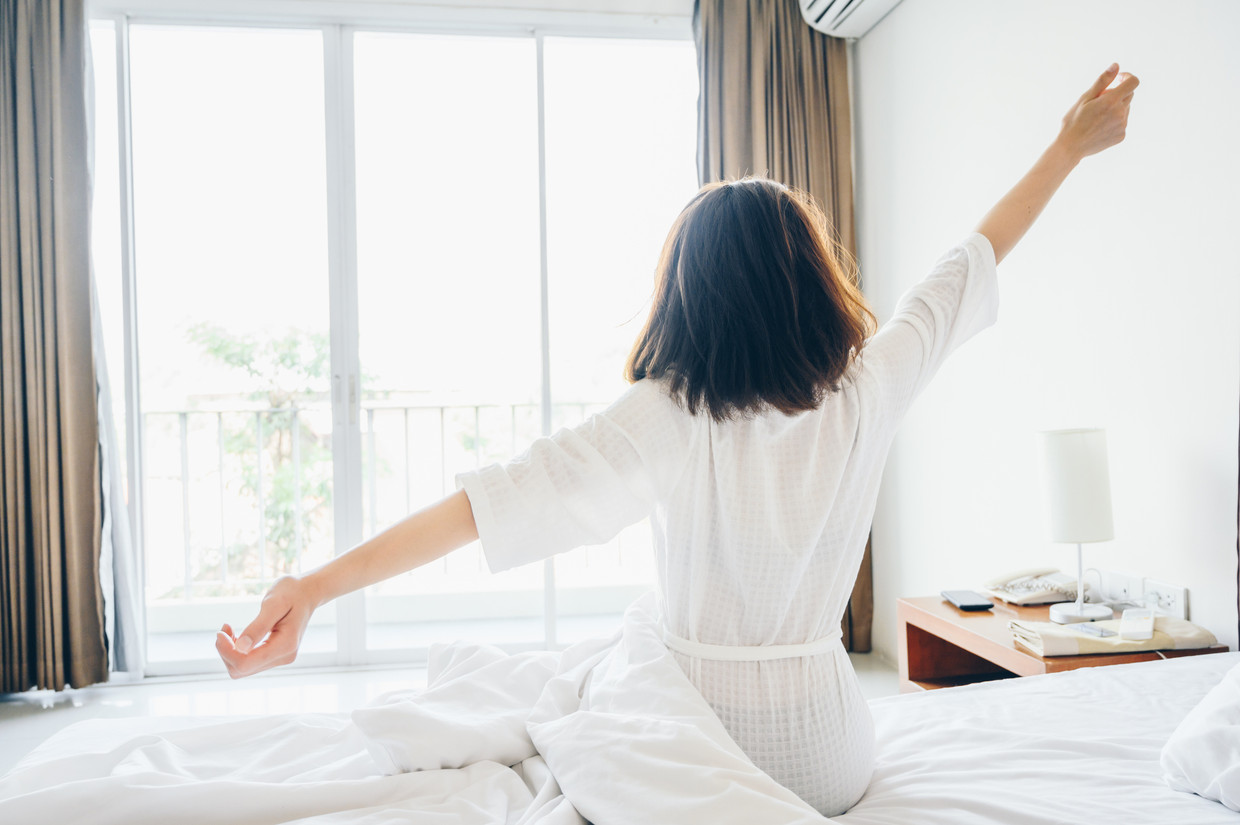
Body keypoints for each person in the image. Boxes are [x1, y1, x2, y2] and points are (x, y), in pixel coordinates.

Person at [217, 64, 1138, 816]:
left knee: (615, 656)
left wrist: (314, 587)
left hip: (692, 746)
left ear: (690, 295)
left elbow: (484, 507)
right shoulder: (872, 387)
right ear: (813, 280)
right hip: (832, 759)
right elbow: (965, 263)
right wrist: (1067, 147)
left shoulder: (670, 413)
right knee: (621, 645)